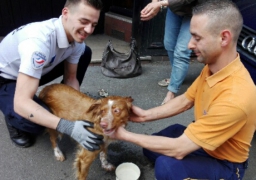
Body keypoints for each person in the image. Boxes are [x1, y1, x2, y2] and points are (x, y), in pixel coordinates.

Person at [110, 0, 256, 179]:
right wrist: (144, 116)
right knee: (154, 145)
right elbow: (186, 100)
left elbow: (179, 149)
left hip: (225, 162)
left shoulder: (237, 97)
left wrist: (123, 134)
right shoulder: (213, 67)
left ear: (224, 38)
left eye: (197, 37)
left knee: (167, 166)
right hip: (206, 144)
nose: (189, 45)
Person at [0, 0, 104, 150]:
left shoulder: (76, 40)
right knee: (34, 123)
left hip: (33, 70)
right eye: (84, 21)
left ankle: (49, 106)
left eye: (93, 25)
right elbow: (21, 103)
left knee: (84, 53)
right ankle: (12, 119)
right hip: (5, 78)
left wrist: (78, 112)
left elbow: (71, 78)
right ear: (65, 13)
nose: (88, 30)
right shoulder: (38, 43)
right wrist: (66, 126)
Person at [141, 0, 202, 105]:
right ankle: (176, 76)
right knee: (169, 44)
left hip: (196, 10)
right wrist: (155, 3)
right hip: (175, 9)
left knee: (182, 50)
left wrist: (160, 4)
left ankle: (172, 91)